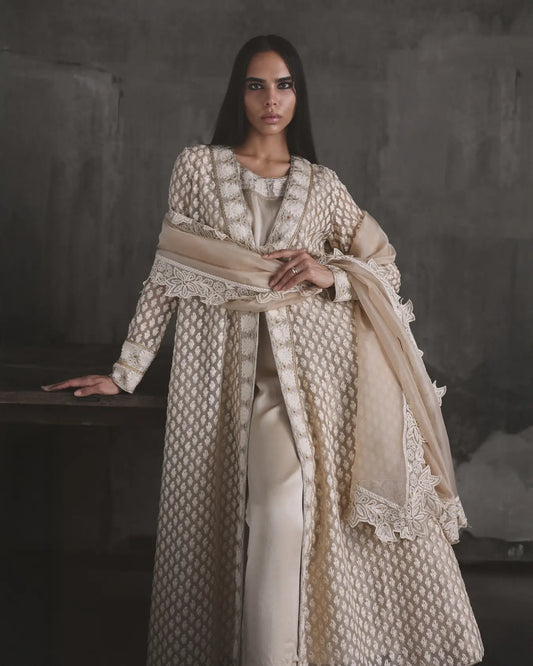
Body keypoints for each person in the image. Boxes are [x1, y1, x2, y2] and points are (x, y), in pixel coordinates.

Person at [42, 35, 484, 666]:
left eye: (283, 85)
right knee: (243, 521)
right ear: (238, 93)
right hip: (221, 377)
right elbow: (169, 272)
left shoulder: (322, 185)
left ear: (298, 95)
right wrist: (126, 372)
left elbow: (382, 264)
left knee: (283, 515)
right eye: (256, 85)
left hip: (313, 385)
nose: (270, 100)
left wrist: (332, 275)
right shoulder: (198, 168)